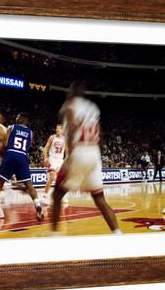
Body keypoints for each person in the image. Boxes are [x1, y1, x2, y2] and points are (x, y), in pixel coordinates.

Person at [51, 83, 121, 235]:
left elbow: (70, 132)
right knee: (100, 199)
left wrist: (70, 158)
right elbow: (99, 133)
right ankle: (118, 234)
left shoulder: (69, 106)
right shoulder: (93, 107)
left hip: (79, 152)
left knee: (56, 195)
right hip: (94, 153)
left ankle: (53, 237)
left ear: (71, 93)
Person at [0, 112, 44, 224]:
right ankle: (38, 207)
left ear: (22, 119)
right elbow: (29, 146)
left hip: (11, 154)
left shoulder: (11, 127)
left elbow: (5, 143)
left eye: (17, 117)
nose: (16, 118)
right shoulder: (30, 132)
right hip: (22, 156)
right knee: (29, 185)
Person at [42, 124, 66, 203]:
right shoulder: (52, 137)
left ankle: (61, 196)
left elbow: (68, 152)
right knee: (52, 177)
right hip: (52, 158)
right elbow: (45, 149)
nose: (58, 129)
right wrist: (45, 158)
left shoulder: (65, 139)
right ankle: (44, 196)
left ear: (62, 130)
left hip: (60, 160)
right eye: (57, 128)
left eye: (59, 128)